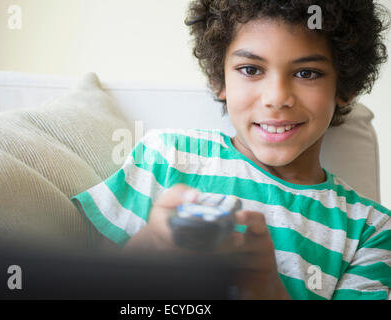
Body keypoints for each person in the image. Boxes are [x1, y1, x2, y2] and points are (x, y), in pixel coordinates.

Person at [71, 0, 391, 300]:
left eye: (306, 73)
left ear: (345, 86)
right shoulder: (167, 157)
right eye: (251, 69)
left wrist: (266, 286)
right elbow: (82, 282)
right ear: (218, 79)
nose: (276, 98)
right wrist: (152, 244)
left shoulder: (371, 231)